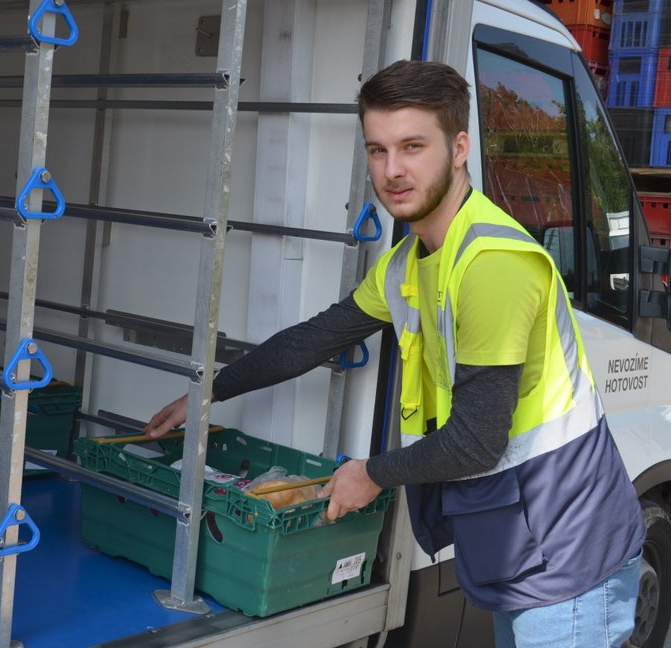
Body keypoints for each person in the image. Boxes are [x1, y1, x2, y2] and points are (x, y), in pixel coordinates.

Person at [144, 60, 645, 647]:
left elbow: (477, 440)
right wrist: (206, 393)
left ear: (459, 148)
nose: (392, 170)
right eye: (377, 150)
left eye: (412, 146)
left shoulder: (493, 264)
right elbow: (314, 338)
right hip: (523, 543)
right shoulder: (410, 261)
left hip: (569, 550)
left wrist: (372, 475)